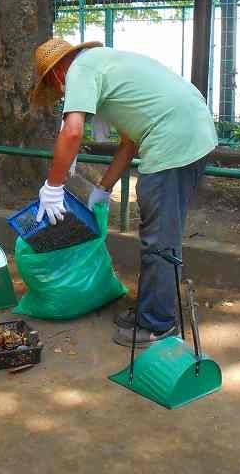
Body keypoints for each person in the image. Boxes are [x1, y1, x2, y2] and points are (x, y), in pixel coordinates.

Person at [29, 38, 218, 347]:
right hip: (189, 131)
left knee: (160, 236)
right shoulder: (106, 64)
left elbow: (72, 131)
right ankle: (151, 311)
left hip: (175, 141)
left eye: (55, 88)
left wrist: (53, 186)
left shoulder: (79, 70)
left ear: (57, 74)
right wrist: (103, 188)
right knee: (158, 231)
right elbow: (130, 141)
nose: (61, 94)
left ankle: (159, 323)